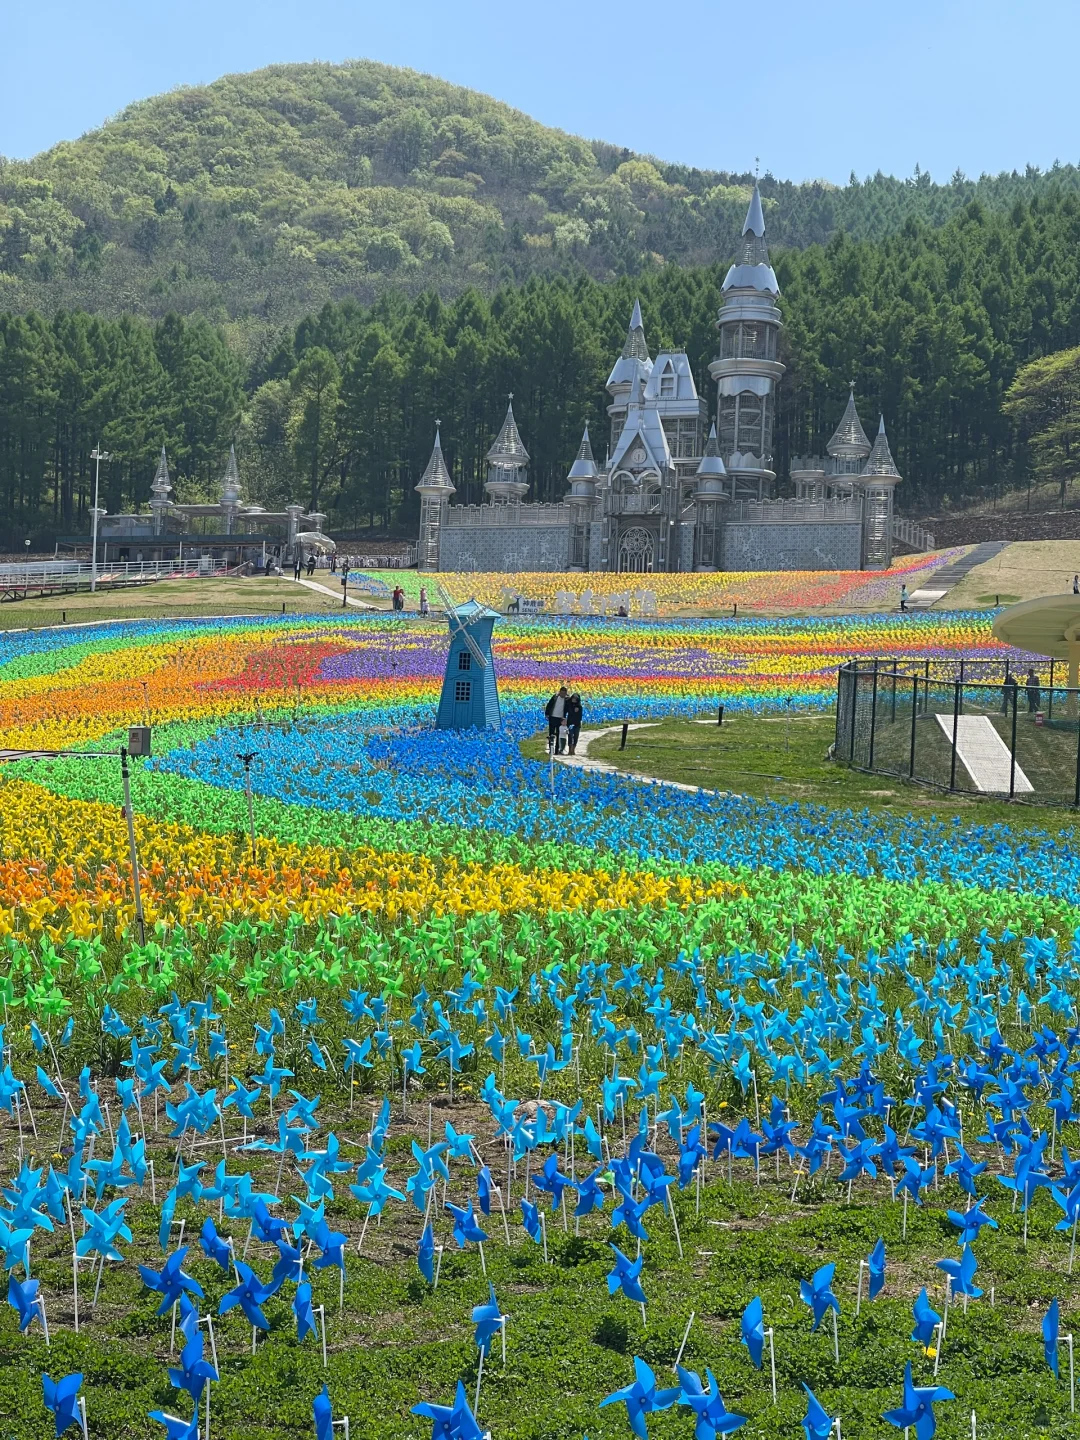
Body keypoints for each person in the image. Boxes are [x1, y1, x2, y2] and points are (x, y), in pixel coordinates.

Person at [545, 686, 568, 751]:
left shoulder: (566, 700)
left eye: (564, 693)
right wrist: (547, 714)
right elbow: (549, 705)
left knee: (559, 734)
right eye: (562, 693)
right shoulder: (555, 697)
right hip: (552, 717)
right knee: (551, 734)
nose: (563, 695)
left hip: (560, 719)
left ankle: (557, 749)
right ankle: (551, 748)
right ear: (559, 692)